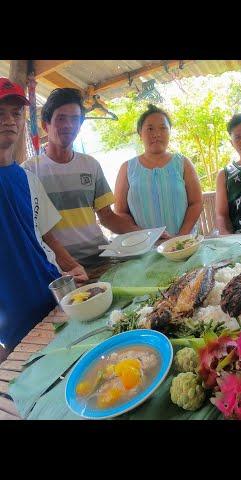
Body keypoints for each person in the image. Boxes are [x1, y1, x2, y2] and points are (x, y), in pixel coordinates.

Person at [0, 79, 80, 360]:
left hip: (53, 302)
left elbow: (47, 237)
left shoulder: (28, 179)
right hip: (13, 324)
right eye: (0, 113)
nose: (9, 120)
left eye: (16, 113)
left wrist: (73, 268)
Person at [23, 88, 139, 267]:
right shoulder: (29, 172)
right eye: (61, 118)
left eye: (75, 119)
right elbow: (32, 230)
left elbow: (107, 216)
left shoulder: (91, 165)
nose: (69, 125)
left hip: (101, 258)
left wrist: (145, 235)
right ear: (46, 125)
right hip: (60, 268)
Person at [114, 105, 203, 237]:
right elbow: (121, 212)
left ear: (169, 132)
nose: (156, 134)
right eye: (150, 129)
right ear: (140, 134)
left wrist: (179, 238)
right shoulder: (127, 168)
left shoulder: (183, 163)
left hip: (184, 245)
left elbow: (196, 203)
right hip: (145, 248)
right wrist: (147, 237)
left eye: (163, 128)